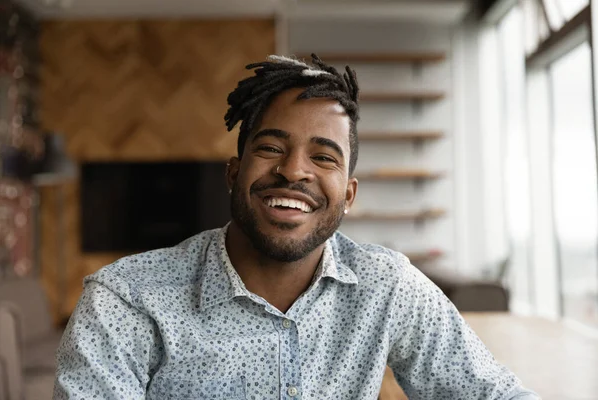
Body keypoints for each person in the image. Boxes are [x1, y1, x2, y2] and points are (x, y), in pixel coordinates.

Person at [53, 54, 539, 399]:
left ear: (348, 195)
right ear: (233, 173)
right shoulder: (126, 301)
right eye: (270, 148)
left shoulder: (388, 287)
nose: (294, 171)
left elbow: (490, 392)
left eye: (323, 156)